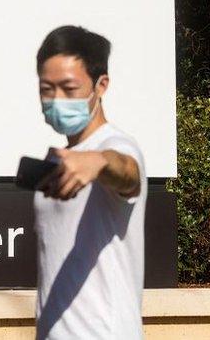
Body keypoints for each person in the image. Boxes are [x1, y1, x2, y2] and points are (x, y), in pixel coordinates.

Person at [33, 25, 146, 340]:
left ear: (101, 86)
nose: (57, 100)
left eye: (69, 89)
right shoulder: (59, 159)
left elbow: (128, 173)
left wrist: (99, 162)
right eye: (47, 88)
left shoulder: (118, 145)